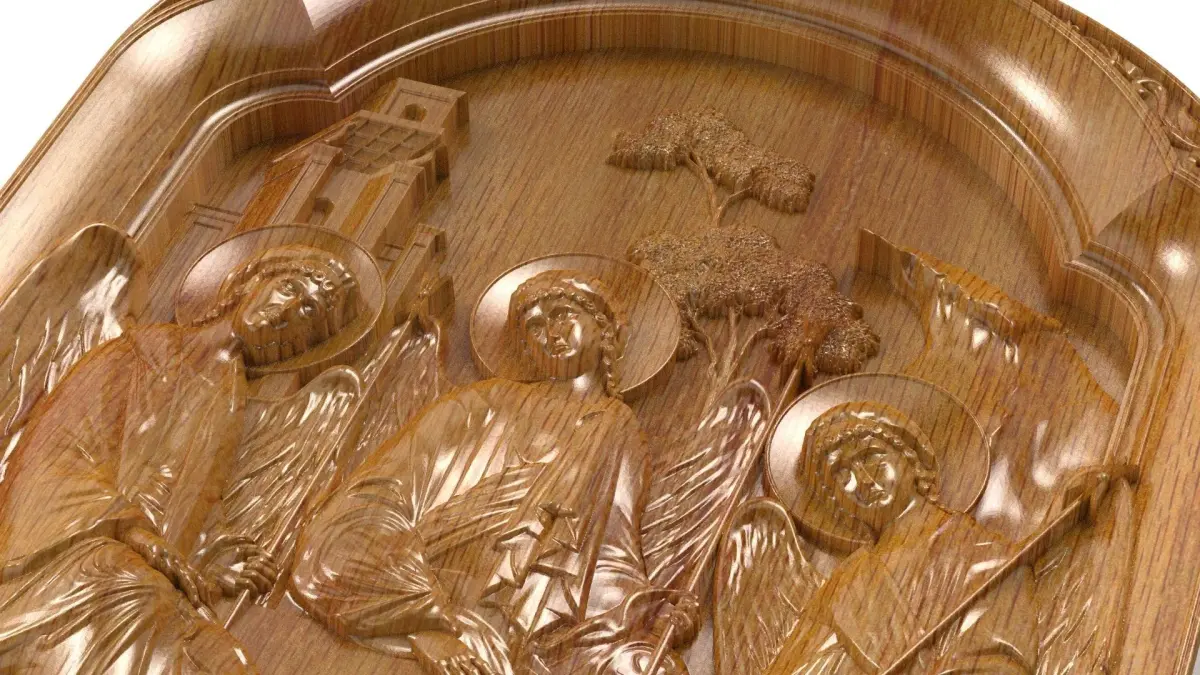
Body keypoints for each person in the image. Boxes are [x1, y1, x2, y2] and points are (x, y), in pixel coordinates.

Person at [290, 270, 697, 675]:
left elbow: (608, 551)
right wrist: (427, 623)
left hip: (533, 613)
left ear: (603, 330)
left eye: (562, 315)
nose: (549, 333)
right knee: (330, 554)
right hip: (426, 579)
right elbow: (377, 497)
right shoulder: (480, 403)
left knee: (653, 669)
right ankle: (429, 621)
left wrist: (649, 612)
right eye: (534, 326)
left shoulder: (615, 428)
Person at [0, 244, 361, 674]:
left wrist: (215, 556)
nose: (287, 311)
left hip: (145, 567)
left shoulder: (228, 394)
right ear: (251, 284)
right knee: (137, 598)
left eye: (308, 314)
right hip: (72, 545)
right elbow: (52, 452)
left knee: (226, 662)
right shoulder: (141, 350)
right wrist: (134, 532)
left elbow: (194, 499)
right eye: (288, 289)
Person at [750, 402, 1038, 674]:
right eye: (842, 475)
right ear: (836, 501)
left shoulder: (985, 556)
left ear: (909, 458)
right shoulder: (846, 585)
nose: (864, 480)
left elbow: (1005, 664)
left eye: (871, 456)